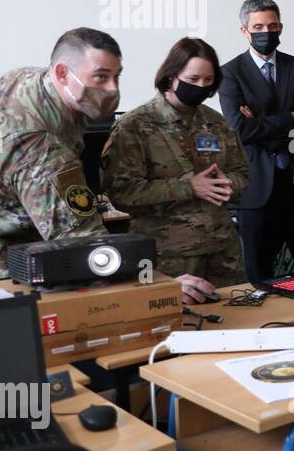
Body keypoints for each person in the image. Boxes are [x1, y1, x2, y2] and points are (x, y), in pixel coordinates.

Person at [0, 28, 120, 279]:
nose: (113, 89)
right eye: (101, 77)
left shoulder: (34, 81)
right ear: (62, 73)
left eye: (117, 76)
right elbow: (83, 242)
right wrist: (153, 277)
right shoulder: (37, 146)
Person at [101, 38, 248, 302]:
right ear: (171, 76)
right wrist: (189, 187)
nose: (201, 86)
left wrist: (230, 183)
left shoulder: (216, 123)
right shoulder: (135, 125)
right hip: (169, 258)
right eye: (193, 78)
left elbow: (242, 173)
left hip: (223, 253)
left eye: (208, 81)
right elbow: (121, 192)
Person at [219, 0, 294, 284]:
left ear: (281, 28)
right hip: (255, 189)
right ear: (244, 31)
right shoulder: (230, 74)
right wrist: (292, 117)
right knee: (255, 276)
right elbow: (241, 131)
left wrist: (261, 122)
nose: (266, 33)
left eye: (272, 26)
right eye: (258, 27)